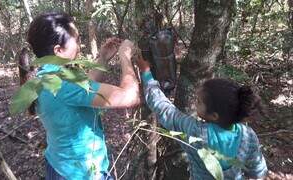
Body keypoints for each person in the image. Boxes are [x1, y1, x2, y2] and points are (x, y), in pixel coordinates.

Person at [26, 12, 140, 180]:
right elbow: (130, 97)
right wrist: (125, 57)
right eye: (77, 39)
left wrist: (102, 59)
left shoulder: (46, 76)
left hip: (59, 165)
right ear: (58, 50)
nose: (80, 45)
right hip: (82, 174)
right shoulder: (64, 84)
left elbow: (82, 90)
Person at [136, 57, 268, 179]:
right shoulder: (248, 136)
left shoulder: (196, 134)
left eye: (199, 102)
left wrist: (146, 73)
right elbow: (258, 171)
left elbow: (165, 110)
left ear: (214, 115)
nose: (195, 103)